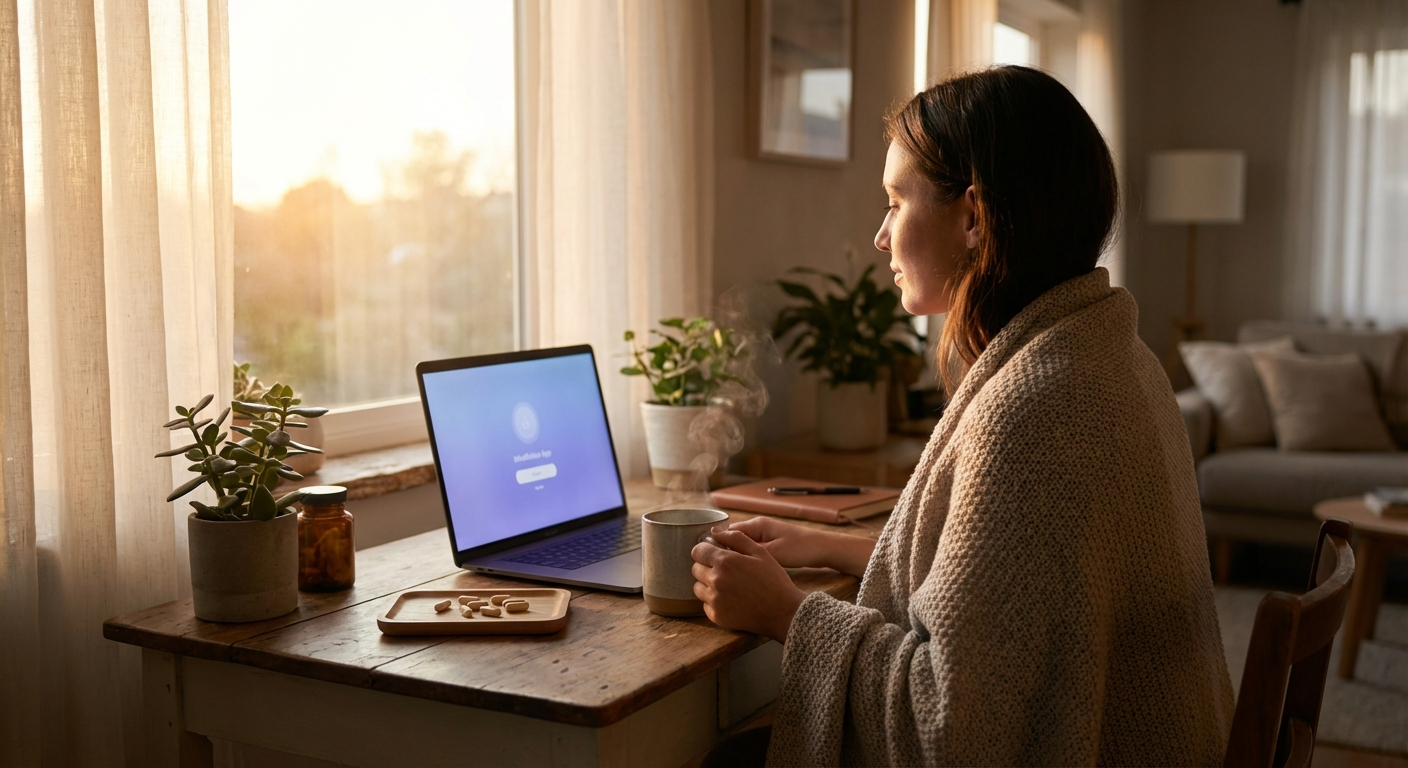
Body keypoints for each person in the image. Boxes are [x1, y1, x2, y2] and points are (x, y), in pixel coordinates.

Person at [692, 66, 1234, 767]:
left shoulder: (1033, 411)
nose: (882, 237)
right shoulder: (1112, 358)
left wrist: (785, 612)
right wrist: (822, 546)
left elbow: (947, 728)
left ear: (973, 217)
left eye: (895, 202)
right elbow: (1018, 594)